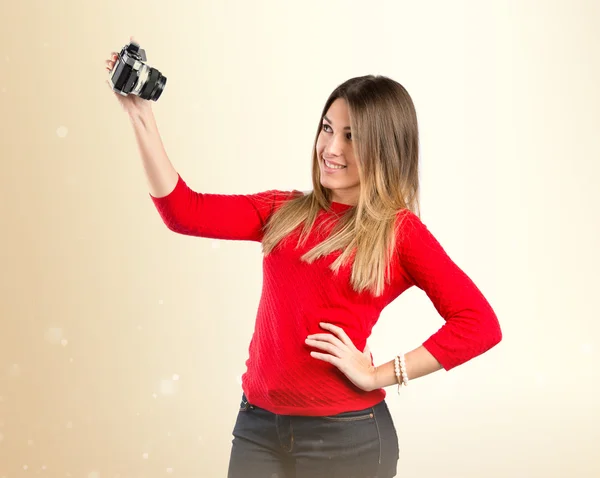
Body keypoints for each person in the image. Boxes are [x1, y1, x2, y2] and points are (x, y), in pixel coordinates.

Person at [105, 42, 502, 478]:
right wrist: (139, 115)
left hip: (346, 436)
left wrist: (382, 374)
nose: (331, 147)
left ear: (385, 148)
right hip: (257, 425)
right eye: (328, 128)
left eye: (351, 136)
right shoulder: (283, 210)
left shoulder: (399, 233)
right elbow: (184, 212)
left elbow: (479, 324)